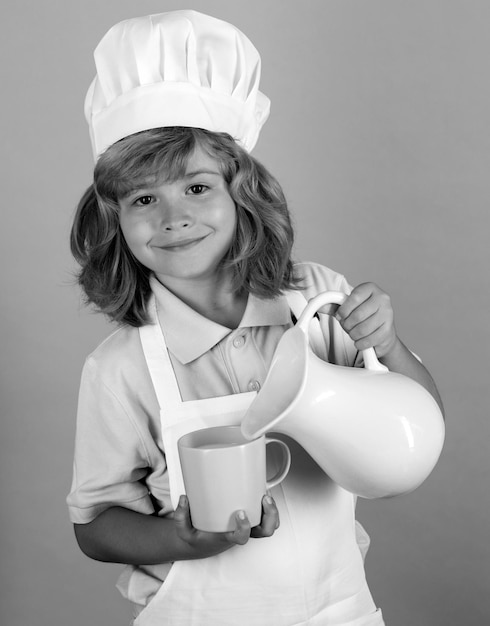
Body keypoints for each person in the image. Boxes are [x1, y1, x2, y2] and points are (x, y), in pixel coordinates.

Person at [67, 10, 443, 626]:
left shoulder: (319, 302)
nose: (172, 218)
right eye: (142, 199)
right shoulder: (121, 367)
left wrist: (390, 345)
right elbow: (95, 526)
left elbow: (415, 440)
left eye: (195, 188)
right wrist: (183, 540)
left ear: (243, 193)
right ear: (114, 221)